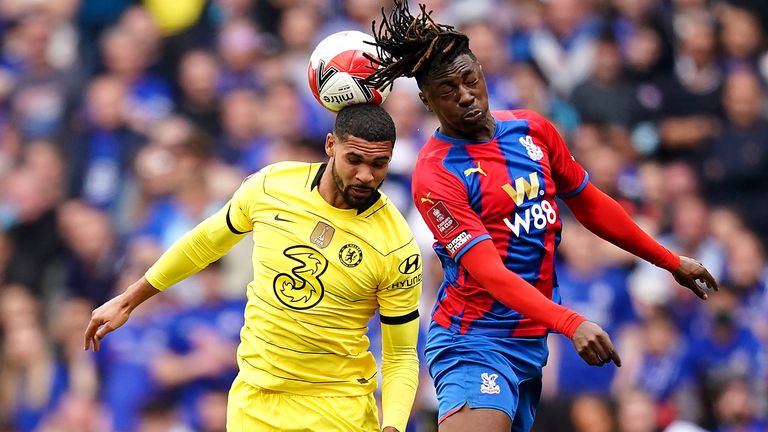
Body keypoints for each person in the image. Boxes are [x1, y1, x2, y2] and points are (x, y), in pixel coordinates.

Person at [363, 2, 718, 431]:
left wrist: (669, 260)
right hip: (473, 341)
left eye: (469, 79)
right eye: (447, 91)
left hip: (531, 340)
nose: (465, 96)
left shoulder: (532, 130)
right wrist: (571, 322)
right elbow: (489, 272)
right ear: (426, 100)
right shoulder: (435, 175)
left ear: (481, 71)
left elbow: (590, 203)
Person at [83, 103, 422, 432]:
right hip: (257, 403)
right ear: (331, 145)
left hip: (337, 408)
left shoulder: (396, 244)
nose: (366, 175)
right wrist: (130, 298)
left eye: (379, 164)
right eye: (355, 160)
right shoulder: (271, 186)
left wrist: (392, 426)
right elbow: (204, 243)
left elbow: (402, 355)